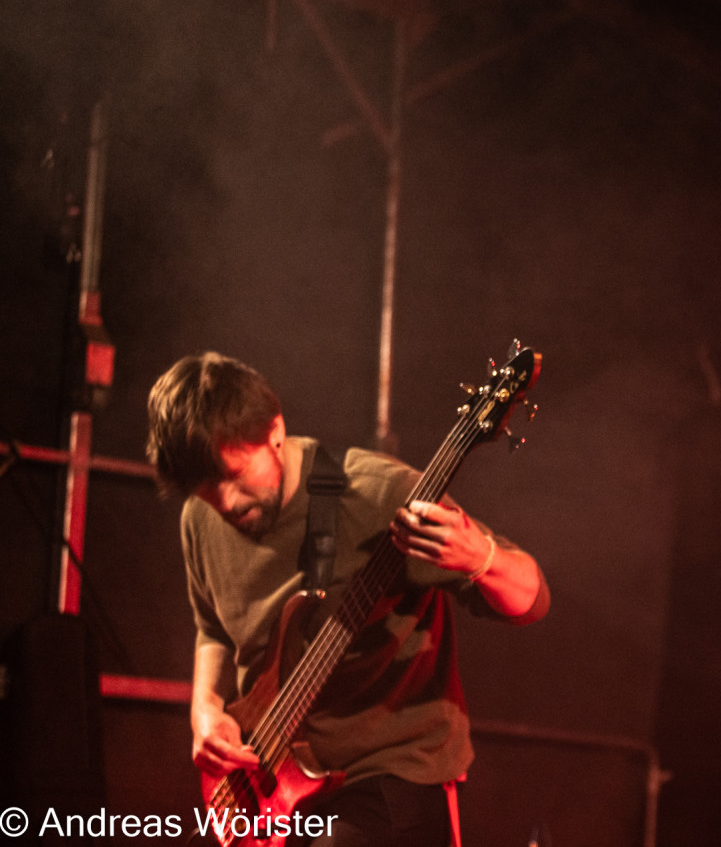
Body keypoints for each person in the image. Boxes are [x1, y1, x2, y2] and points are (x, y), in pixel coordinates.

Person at [146, 351, 549, 847]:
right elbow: (212, 629)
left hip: (390, 770)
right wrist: (204, 709)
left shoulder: (378, 494)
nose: (226, 502)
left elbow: (532, 599)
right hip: (274, 778)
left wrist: (481, 557)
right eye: (207, 489)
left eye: (234, 474)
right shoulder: (199, 520)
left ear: (275, 431)